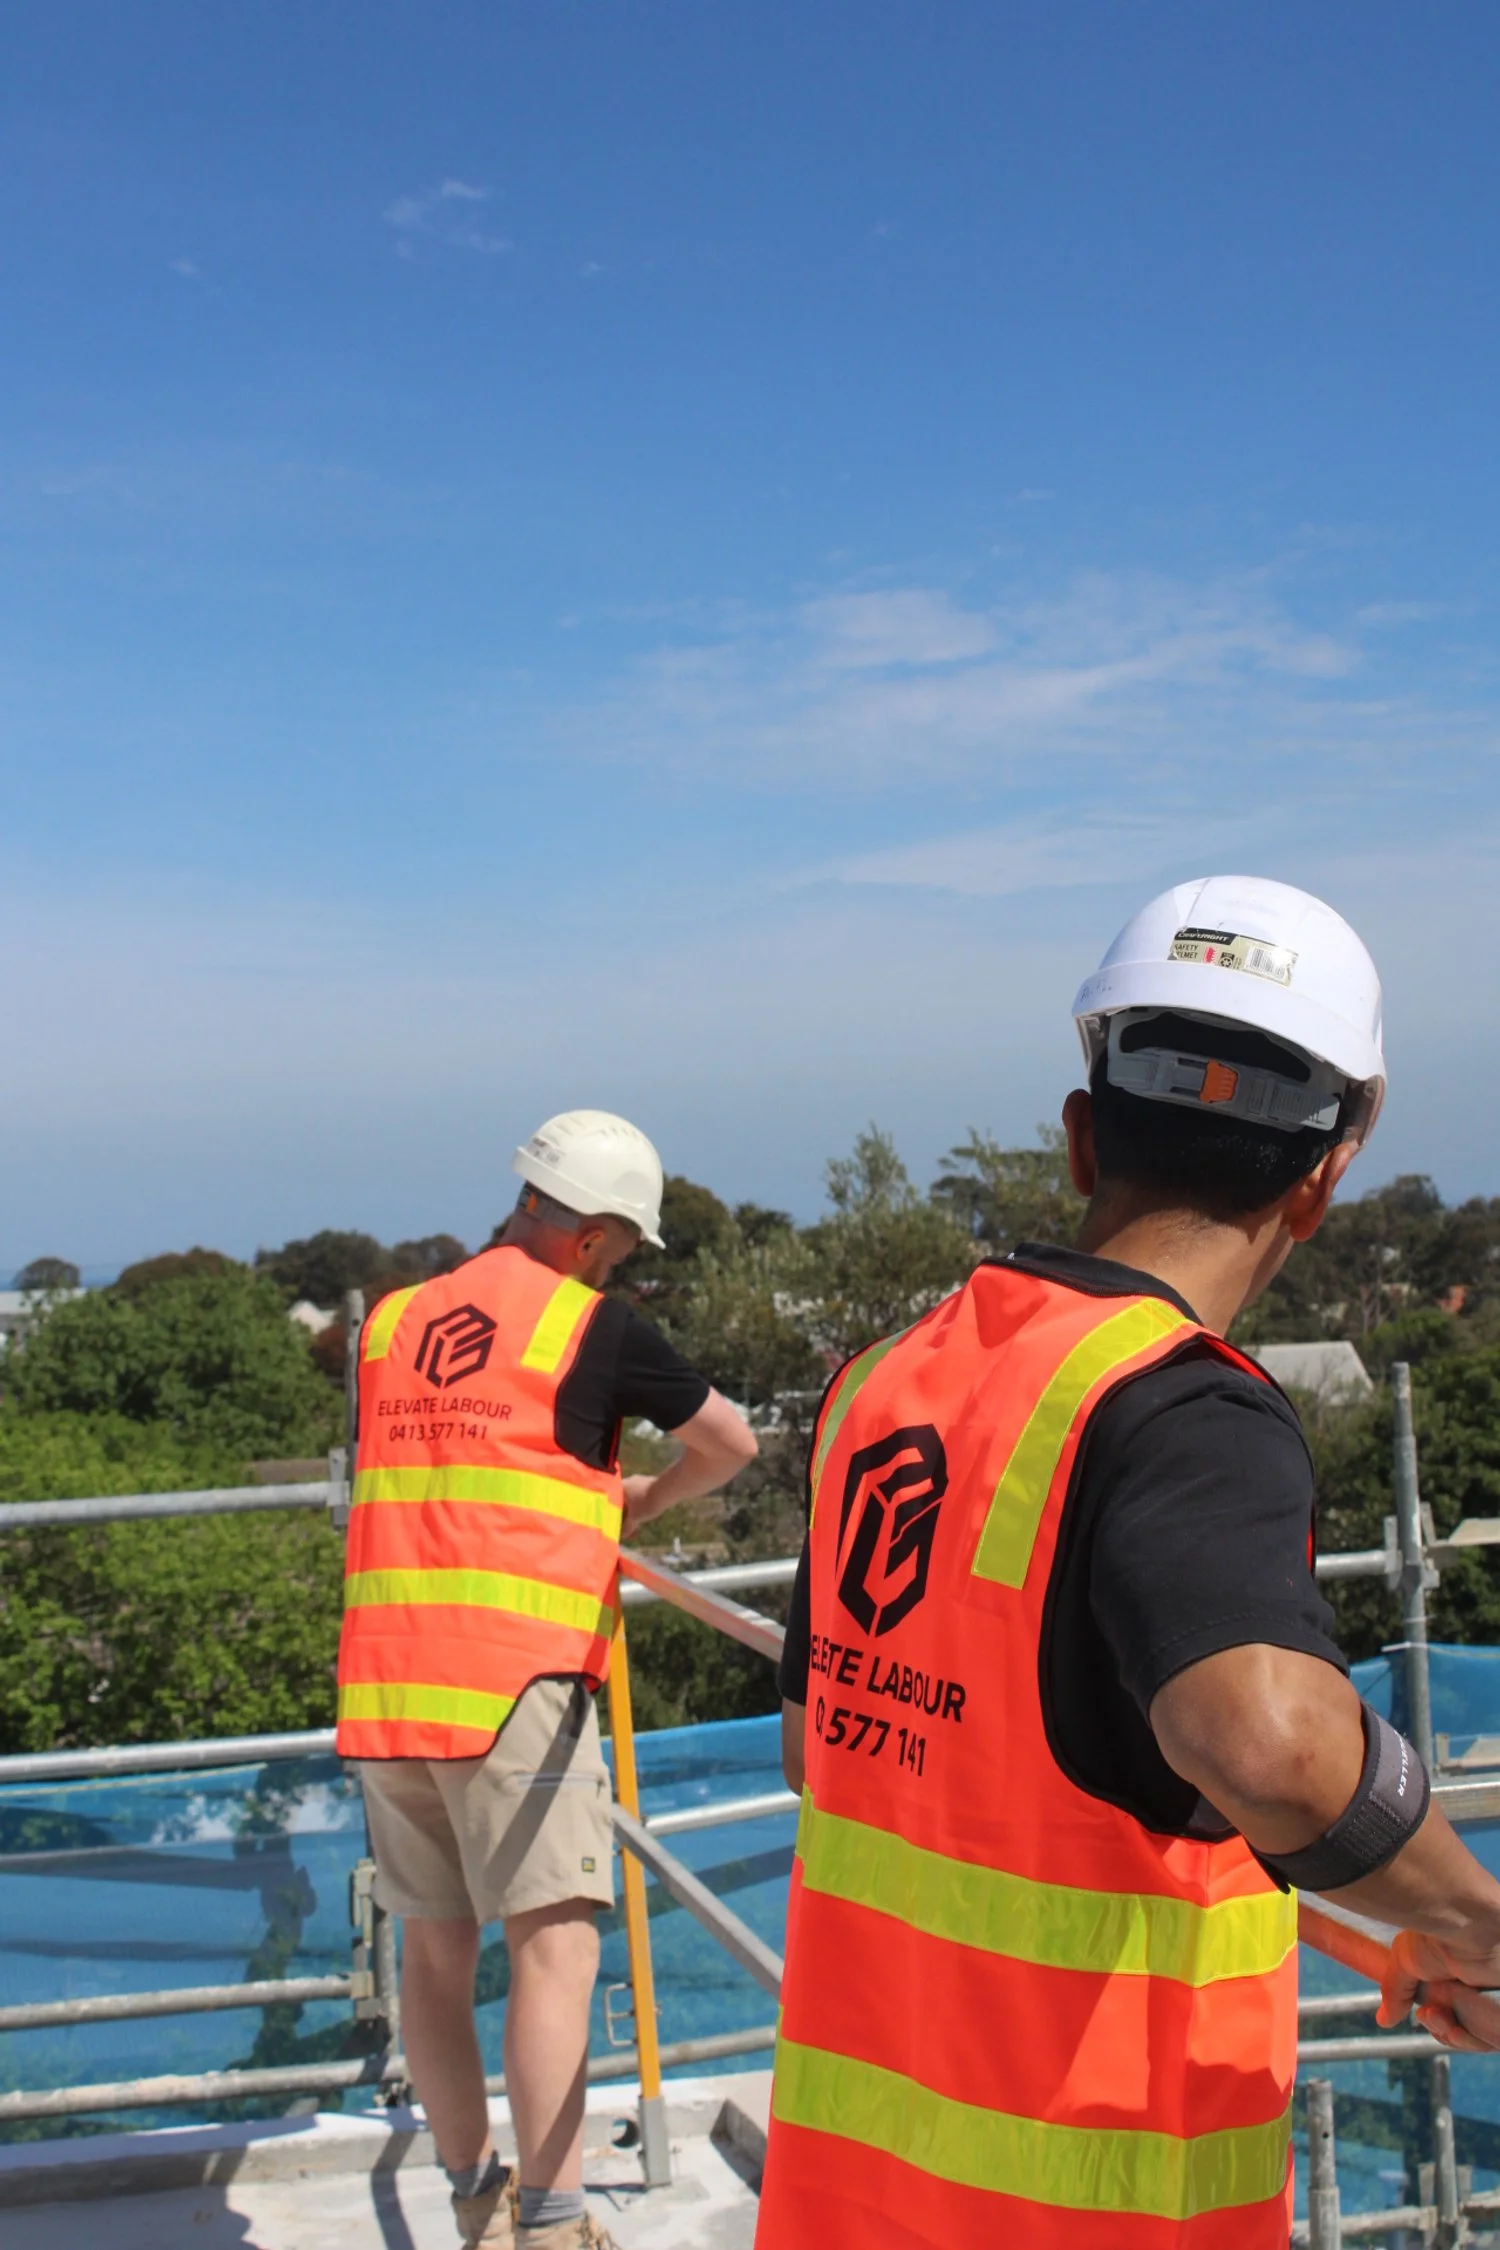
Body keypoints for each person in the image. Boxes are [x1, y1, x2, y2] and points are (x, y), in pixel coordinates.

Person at [758, 876, 1500, 2249]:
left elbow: (823, 1743)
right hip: (1091, 2198)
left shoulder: (887, 1382)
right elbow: (1272, 1749)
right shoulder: (1184, 1409)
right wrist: (1473, 1918)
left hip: (856, 2201)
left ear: (1084, 1133)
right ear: (1325, 1175)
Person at [336, 1109, 758, 2250]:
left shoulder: (392, 1324)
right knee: (556, 1947)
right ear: (594, 1235)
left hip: (387, 1684)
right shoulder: (591, 1327)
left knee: (432, 1946)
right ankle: (557, 2224)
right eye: (621, 1249)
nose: (617, 1267)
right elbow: (731, 1443)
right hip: (513, 1680)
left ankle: (478, 2200)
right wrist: (642, 1503)